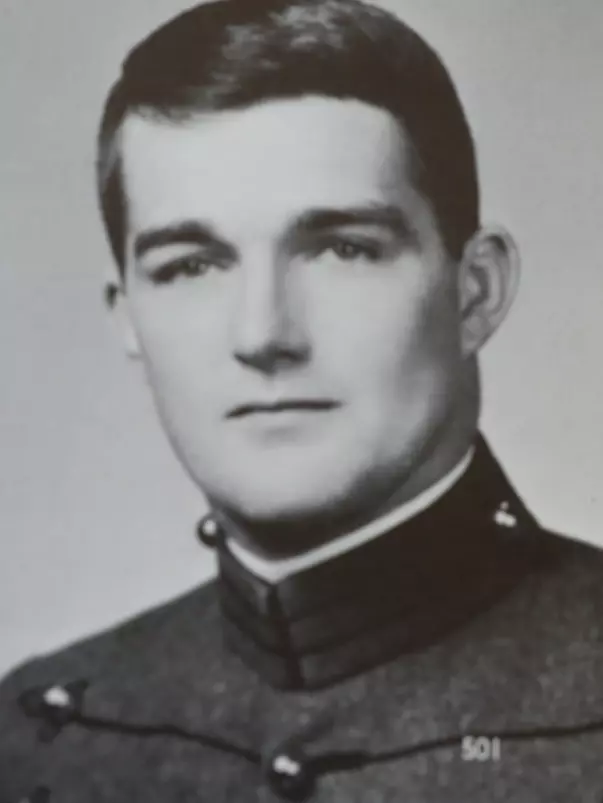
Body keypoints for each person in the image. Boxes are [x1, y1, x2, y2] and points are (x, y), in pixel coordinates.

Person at [1, 0, 602, 800]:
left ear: (474, 293)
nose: (262, 334)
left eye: (342, 249)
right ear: (129, 318)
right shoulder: (39, 736)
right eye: (190, 266)